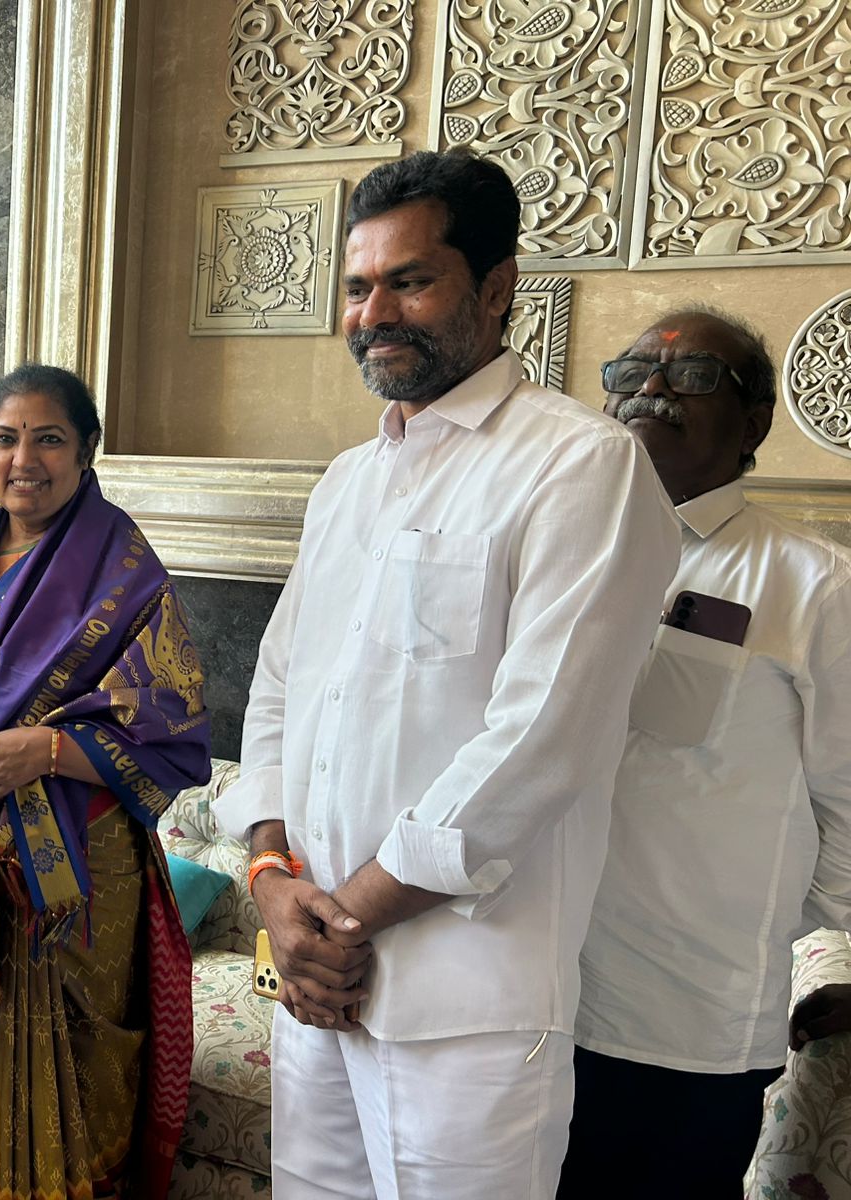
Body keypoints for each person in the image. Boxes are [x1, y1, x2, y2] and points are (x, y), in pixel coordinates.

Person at [214, 149, 679, 1199]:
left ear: (497, 287)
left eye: (410, 281)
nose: (373, 313)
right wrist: (273, 883)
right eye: (357, 287)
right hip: (313, 987)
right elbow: (280, 688)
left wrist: (343, 920)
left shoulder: (580, 464)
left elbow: (542, 739)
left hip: (467, 1005)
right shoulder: (346, 483)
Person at [0, 364, 213, 1200]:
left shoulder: (121, 567)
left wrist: (47, 750)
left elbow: (170, 725)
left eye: (48, 438)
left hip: (73, 871)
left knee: (68, 1071)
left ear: (87, 450)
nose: (25, 459)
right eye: (6, 438)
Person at [561, 308, 851, 1196]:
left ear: (754, 422)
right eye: (630, 372)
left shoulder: (815, 585)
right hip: (533, 989)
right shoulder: (557, 555)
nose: (651, 389)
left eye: (692, 377)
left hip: (688, 1017)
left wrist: (800, 941)